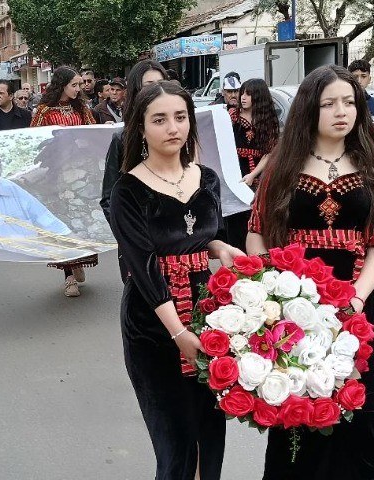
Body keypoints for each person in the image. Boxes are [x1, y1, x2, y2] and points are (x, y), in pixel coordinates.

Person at [246, 65, 374, 478]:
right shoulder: (282, 166)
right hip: (294, 313)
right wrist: (271, 290)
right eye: (329, 103)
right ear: (309, 110)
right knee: (299, 411)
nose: (341, 111)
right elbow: (256, 234)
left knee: (356, 410)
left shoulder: (371, 165)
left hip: (354, 312)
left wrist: (357, 298)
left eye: (349, 102)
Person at [110, 80, 239, 480]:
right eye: (160, 119)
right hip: (153, 327)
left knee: (209, 435)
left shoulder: (208, 179)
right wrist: (179, 334)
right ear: (141, 128)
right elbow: (144, 267)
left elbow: (205, 233)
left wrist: (219, 248)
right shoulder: (127, 190)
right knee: (176, 444)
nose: (173, 128)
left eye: (180, 117)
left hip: (210, 316)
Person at [31, 66, 98, 297]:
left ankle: (78, 258)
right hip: (56, 174)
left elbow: (93, 133)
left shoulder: (82, 107)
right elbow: (35, 137)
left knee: (80, 219)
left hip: (79, 173)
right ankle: (68, 275)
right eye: (75, 85)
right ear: (61, 85)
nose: (79, 89)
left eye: (81, 85)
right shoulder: (43, 110)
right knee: (61, 220)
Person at [100, 59, 169, 225]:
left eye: (161, 83)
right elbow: (109, 199)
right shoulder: (123, 139)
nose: (157, 90)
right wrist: (130, 235)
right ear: (136, 91)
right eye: (149, 85)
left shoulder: (179, 133)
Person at [224, 78, 279, 251]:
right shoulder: (231, 116)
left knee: (254, 217)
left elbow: (269, 153)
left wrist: (253, 175)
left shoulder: (267, 121)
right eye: (243, 92)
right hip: (233, 170)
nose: (243, 97)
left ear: (259, 97)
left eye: (249, 94)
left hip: (257, 175)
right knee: (233, 218)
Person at [348, 59, 374, 136]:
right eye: (355, 76)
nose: (359, 80)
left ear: (369, 79)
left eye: (363, 76)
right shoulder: (344, 104)